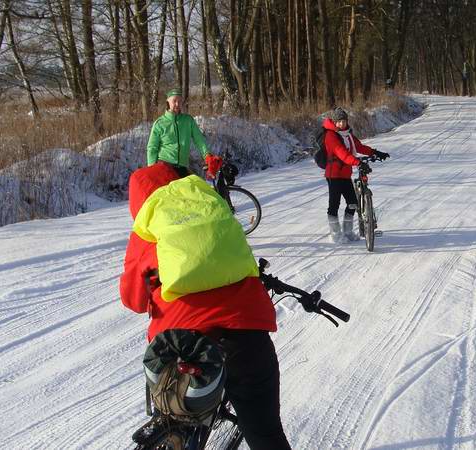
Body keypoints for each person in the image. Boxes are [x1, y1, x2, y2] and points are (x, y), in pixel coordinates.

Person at [120, 162, 291, 449]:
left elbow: (133, 299)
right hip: (243, 338)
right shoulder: (215, 209)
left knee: (174, 413)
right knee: (265, 433)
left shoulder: (147, 231)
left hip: (178, 344)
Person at [321, 107, 389, 243]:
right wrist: (357, 162)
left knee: (352, 203)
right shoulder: (331, 136)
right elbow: (342, 153)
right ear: (334, 122)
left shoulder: (348, 135)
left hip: (345, 174)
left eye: (344, 121)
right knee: (334, 205)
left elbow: (359, 147)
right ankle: (335, 234)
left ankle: (348, 232)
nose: (341, 124)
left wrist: (375, 152)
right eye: (339, 122)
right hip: (333, 175)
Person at [146, 89, 222, 178]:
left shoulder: (188, 120)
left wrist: (207, 155)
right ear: (168, 102)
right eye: (174, 101)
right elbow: (152, 148)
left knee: (195, 187)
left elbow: (199, 140)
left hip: (182, 167)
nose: (177, 104)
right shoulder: (160, 123)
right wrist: (151, 170)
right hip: (164, 166)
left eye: (180, 101)